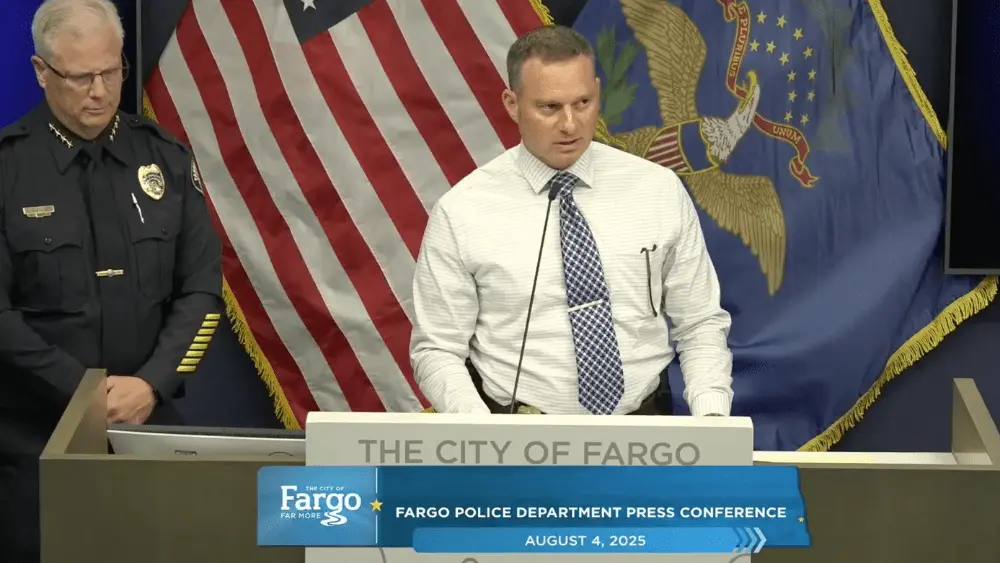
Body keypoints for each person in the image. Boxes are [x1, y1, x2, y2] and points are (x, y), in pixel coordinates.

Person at [410, 25, 733, 417]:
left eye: (583, 103)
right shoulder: (462, 210)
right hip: (514, 436)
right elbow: (437, 349)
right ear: (512, 104)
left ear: (597, 92)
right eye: (549, 107)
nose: (570, 124)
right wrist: (482, 435)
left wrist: (713, 420)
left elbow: (699, 323)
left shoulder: (658, 190)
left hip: (644, 429)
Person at [0, 0, 223, 559]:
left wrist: (151, 383)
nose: (100, 91)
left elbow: (201, 290)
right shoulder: (7, 170)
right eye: (79, 77)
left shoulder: (165, 159)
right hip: (37, 441)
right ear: (41, 72)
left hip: (151, 427)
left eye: (112, 71)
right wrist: (86, 397)